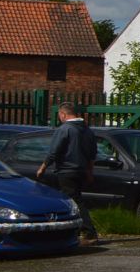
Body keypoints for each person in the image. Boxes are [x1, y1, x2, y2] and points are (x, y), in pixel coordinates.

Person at [38, 103, 99, 242]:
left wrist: (43, 167)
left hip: (67, 170)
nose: (59, 118)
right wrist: (90, 172)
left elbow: (54, 151)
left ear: (63, 114)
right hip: (82, 170)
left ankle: (88, 231)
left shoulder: (65, 129)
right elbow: (92, 154)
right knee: (75, 199)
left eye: (59, 115)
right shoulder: (87, 130)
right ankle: (75, 230)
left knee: (73, 201)